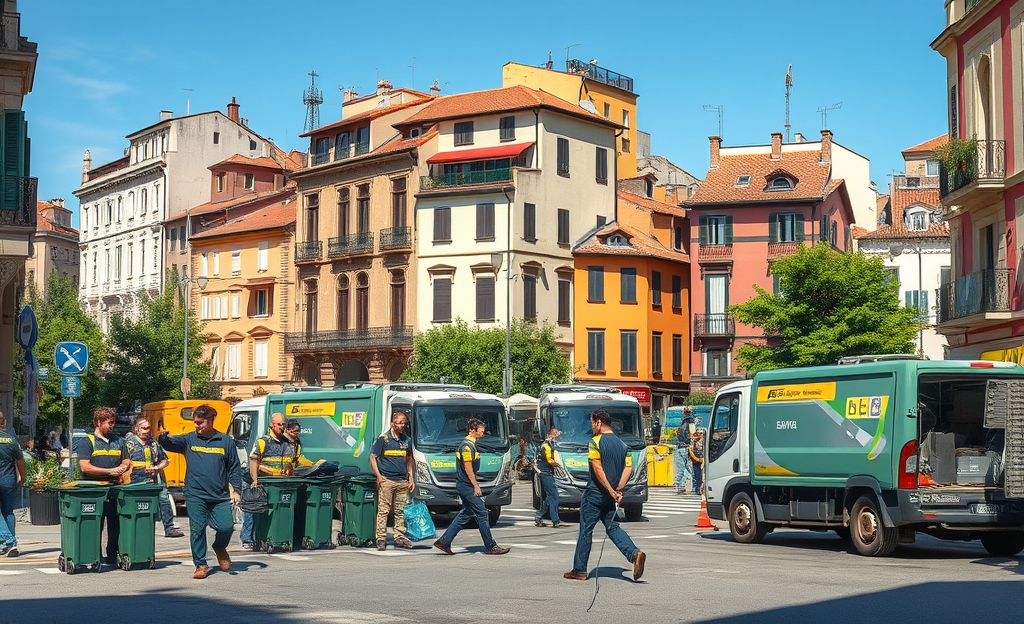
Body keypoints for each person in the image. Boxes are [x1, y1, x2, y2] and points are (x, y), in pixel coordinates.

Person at [158, 404, 242, 580]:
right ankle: (201, 564)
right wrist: (163, 436)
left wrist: (236, 490)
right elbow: (169, 444)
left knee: (226, 526)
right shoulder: (190, 439)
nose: (196, 426)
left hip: (219, 495)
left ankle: (219, 547)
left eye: (200, 423)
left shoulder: (225, 441)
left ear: (211, 420)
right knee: (197, 529)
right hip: (195, 493)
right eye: (195, 422)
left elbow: (234, 468)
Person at [564, 409, 645, 582]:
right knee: (613, 527)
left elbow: (597, 468)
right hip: (610, 496)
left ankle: (579, 570)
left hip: (595, 493)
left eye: (592, 423)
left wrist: (609, 489)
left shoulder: (595, 442)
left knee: (586, 530)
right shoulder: (622, 445)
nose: (592, 427)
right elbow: (628, 468)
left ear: (599, 422)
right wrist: (618, 490)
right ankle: (634, 554)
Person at [433, 418, 510, 556]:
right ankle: (491, 546)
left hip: (465, 485)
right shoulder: (467, 447)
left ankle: (444, 542)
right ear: (472, 430)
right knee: (482, 513)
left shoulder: (471, 445)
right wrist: (475, 485)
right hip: (466, 486)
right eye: (481, 430)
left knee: (466, 513)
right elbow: (468, 468)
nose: (483, 432)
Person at [75, 406, 131, 565]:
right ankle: (95, 555)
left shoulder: (118, 441)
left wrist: (123, 466)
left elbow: (126, 459)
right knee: (95, 523)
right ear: (98, 422)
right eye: (109, 423)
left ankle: (113, 554)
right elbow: (85, 466)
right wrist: (109, 471)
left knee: (115, 523)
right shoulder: (87, 442)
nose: (112, 426)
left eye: (113, 422)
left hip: (114, 488)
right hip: (94, 490)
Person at [240, 413, 296, 548]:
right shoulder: (263, 442)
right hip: (258, 480)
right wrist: (255, 480)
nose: (281, 427)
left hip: (276, 483)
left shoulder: (288, 443)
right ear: (272, 425)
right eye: (279, 424)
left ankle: (268, 537)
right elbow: (253, 460)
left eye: (283, 424)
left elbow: (291, 462)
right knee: (252, 509)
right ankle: (247, 539)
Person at [124, 418, 184, 537]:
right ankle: (132, 528)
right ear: (137, 429)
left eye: (148, 428)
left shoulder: (154, 444)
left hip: (153, 480)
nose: (147, 431)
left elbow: (164, 460)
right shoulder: (128, 443)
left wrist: (157, 467)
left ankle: (169, 528)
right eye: (144, 428)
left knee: (164, 498)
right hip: (133, 480)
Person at [369, 409, 415, 550]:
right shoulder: (384, 439)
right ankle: (381, 539)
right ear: (393, 424)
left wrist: (411, 478)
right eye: (400, 423)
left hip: (402, 481)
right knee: (384, 510)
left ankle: (400, 537)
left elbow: (409, 459)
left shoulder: (407, 440)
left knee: (400, 511)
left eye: (404, 423)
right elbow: (372, 457)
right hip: (387, 481)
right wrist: (378, 476)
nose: (403, 426)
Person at [0, 412, 27, 557]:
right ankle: (10, 545)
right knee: (8, 511)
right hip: (9, 480)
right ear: (3, 423)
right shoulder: (11, 440)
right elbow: (20, 461)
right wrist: (23, 478)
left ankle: (8, 540)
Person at [534, 428, 568, 528]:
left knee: (549, 497)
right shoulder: (547, 446)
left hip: (544, 473)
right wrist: (558, 465)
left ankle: (539, 516)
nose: (556, 438)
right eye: (554, 435)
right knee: (554, 496)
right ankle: (555, 520)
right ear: (549, 435)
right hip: (546, 474)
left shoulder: (546, 445)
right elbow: (549, 460)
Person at [673, 409, 694, 494]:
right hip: (686, 448)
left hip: (680, 448)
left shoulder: (682, 426)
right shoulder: (690, 425)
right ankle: (681, 485)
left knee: (681, 467)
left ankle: (679, 485)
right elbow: (689, 436)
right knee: (687, 468)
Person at [690, 430, 705, 495]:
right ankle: (697, 489)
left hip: (704, 460)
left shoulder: (705, 441)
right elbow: (690, 450)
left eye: (701, 433)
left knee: (703, 476)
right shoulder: (693, 441)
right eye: (697, 433)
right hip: (695, 460)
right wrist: (696, 459)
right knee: (697, 475)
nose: (699, 434)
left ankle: (702, 489)